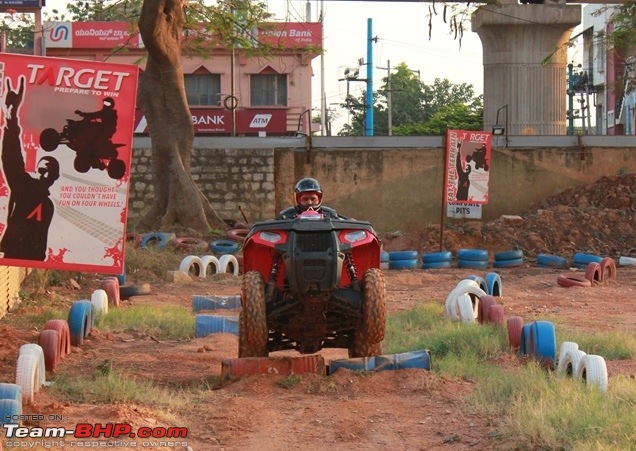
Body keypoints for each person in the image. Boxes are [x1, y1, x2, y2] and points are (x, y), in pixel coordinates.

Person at [0, 76, 60, 261]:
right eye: (40, 169)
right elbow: (12, 157)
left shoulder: (48, 205)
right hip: (13, 256)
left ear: (55, 176)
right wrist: (11, 117)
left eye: (47, 170)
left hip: (32, 259)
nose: (42, 173)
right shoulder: (23, 187)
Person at [276, 177, 347, 219]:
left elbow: (348, 222)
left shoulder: (330, 214)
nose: (309, 202)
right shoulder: (287, 215)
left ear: (319, 199)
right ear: (298, 200)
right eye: (305, 199)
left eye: (313, 199)